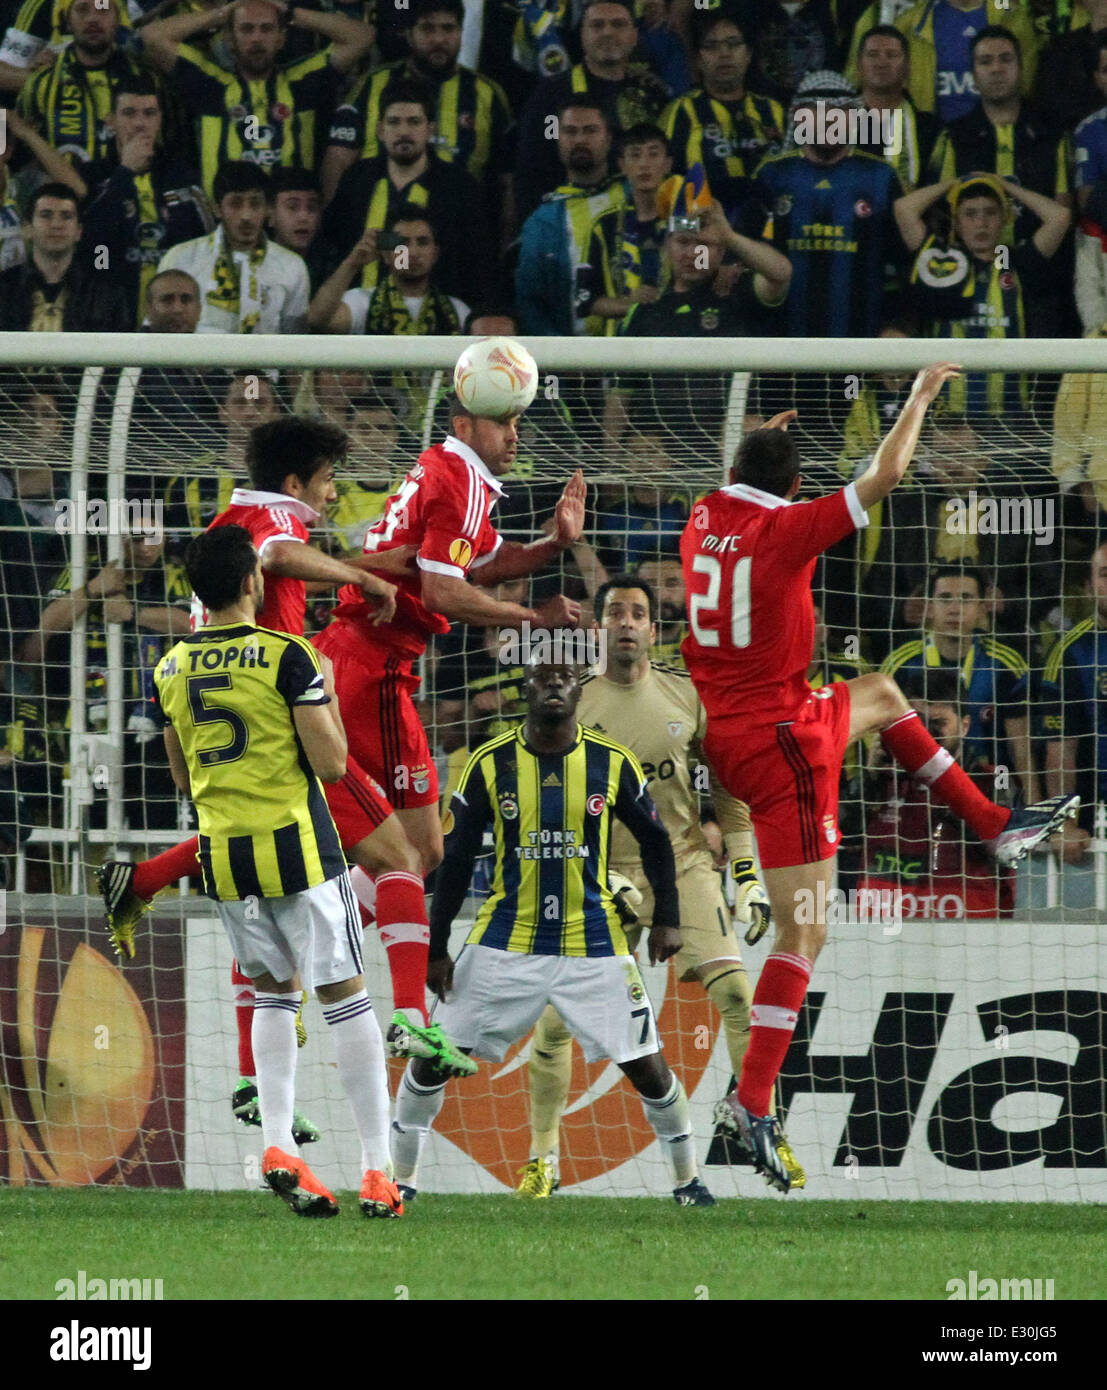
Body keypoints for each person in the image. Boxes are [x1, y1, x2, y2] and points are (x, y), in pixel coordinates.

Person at [681, 363, 1078, 1193]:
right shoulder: (782, 532)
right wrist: (922, 396)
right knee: (807, 933)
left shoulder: (702, 517)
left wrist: (766, 440)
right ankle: (751, 1102)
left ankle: (990, 824)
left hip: (732, 730)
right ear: (789, 488)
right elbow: (886, 475)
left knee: (880, 694)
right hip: (782, 744)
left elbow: (743, 478)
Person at [100, 416, 478, 1136]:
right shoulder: (268, 521)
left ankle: (246, 1073)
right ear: (297, 482)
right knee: (401, 858)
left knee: (264, 910)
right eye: (330, 480)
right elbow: (279, 552)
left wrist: (388, 561)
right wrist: (360, 575)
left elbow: (281, 557)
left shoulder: (224, 525)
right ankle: (408, 1021)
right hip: (282, 727)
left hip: (219, 734)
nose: (335, 494)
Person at [390, 656, 718, 1208]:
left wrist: (667, 918)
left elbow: (657, 841)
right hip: (503, 941)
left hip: (592, 942)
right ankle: (400, 1180)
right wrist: (437, 945)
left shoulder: (610, 761)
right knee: (433, 1057)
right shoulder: (489, 763)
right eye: (543, 681)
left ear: (576, 695)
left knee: (647, 1066)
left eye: (564, 681)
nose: (554, 689)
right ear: (527, 692)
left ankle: (689, 1183)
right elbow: (457, 855)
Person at [519, 574, 801, 1198]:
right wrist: (589, 869)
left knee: (736, 993)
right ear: (597, 629)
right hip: (596, 871)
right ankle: (542, 1158)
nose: (625, 621)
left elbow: (728, 792)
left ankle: (761, 1119)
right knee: (556, 1020)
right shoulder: (574, 701)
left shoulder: (687, 695)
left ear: (653, 629)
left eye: (637, 613)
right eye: (614, 611)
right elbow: (547, 803)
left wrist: (748, 872)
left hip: (683, 863)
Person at [151, 523, 403, 1219]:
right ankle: (378, 1171)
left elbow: (179, 775)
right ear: (250, 583)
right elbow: (328, 763)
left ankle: (276, 1145)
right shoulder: (286, 655)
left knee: (271, 995)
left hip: (226, 857)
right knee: (346, 1000)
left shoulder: (168, 668)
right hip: (297, 848)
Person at [310, 387, 588, 880]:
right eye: (503, 424)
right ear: (464, 427)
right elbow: (442, 593)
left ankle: (321, 944)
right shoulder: (459, 481)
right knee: (418, 852)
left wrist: (556, 542)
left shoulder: (447, 467)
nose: (513, 436)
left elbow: (488, 562)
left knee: (380, 849)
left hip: (346, 654)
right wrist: (534, 619)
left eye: (517, 424)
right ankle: (358, 952)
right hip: (372, 668)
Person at [321, 0, 515, 246]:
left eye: (448, 29)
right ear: (408, 34)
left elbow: (506, 183)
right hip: (378, 233)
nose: (439, 39)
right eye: (427, 29)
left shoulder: (488, 94)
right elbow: (337, 160)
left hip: (456, 234)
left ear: (461, 32)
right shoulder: (374, 85)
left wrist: (503, 246)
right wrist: (334, 231)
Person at [138, 0, 373, 197]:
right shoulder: (210, 85)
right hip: (223, 231)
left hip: (289, 232)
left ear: (282, 38)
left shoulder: (304, 82)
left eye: (267, 29)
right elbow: (152, 36)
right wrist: (222, 14)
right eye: (247, 29)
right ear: (229, 39)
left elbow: (362, 36)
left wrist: (290, 12)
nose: (257, 38)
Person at [751, 69, 906, 340]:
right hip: (781, 348)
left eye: (838, 112)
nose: (827, 121)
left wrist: (896, 324)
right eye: (816, 112)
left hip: (858, 344)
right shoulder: (772, 175)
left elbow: (901, 264)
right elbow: (747, 250)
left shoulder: (880, 177)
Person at [895, 173, 1072, 406]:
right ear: (956, 222)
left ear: (1005, 218)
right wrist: (956, 181)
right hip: (948, 416)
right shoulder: (938, 260)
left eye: (991, 213)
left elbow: (1060, 216)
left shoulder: (1017, 262)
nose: (981, 223)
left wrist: (1005, 186)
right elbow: (903, 208)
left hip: (1009, 413)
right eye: (970, 214)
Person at [858, 667, 1016, 919]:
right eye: (918, 722)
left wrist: (946, 789)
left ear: (964, 726)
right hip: (886, 918)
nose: (926, 733)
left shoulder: (993, 777)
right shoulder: (883, 775)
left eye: (938, 723)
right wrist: (868, 778)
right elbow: (843, 830)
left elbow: (1005, 846)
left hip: (965, 917)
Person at [323, 77, 495, 307]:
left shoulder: (459, 188)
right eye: (394, 122)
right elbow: (333, 245)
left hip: (434, 320)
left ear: (430, 129)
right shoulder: (356, 180)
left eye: (414, 122)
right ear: (380, 130)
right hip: (360, 316)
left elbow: (475, 264)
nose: (404, 131)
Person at [880, 564, 1040, 805]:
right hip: (915, 786)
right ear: (929, 607)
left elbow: (1021, 750)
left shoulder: (1006, 664)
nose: (955, 609)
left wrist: (1034, 810)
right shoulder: (900, 663)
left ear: (983, 607)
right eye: (945, 599)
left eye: (966, 599)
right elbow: (881, 742)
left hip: (990, 785)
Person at [75, 75, 212, 327]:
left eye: (149, 113)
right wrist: (124, 174)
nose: (140, 123)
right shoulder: (90, 176)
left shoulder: (183, 176)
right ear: (111, 121)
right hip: (109, 318)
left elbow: (205, 245)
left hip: (175, 321)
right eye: (129, 113)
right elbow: (92, 247)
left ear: (160, 120)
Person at [514, 0, 671, 220]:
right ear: (582, 36)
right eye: (597, 25)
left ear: (635, 36)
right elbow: (533, 169)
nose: (607, 32)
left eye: (618, 25)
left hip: (642, 221)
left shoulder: (654, 92)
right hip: (571, 220)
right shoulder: (551, 96)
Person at [926, 27, 1071, 234]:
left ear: (1021, 68)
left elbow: (1063, 209)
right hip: (972, 263)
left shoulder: (1053, 132)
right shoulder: (954, 135)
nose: (996, 69)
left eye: (1005, 59)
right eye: (985, 62)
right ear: (973, 75)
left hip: (1037, 259)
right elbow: (942, 213)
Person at [661, 5, 784, 224]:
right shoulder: (680, 112)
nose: (724, 53)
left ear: (748, 54)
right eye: (712, 46)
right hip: (703, 233)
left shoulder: (774, 111)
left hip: (769, 233)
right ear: (698, 59)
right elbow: (664, 181)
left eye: (733, 44)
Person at [157, 161, 309, 334]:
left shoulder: (292, 266)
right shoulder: (180, 258)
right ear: (216, 209)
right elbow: (158, 327)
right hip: (198, 360)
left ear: (267, 208)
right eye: (235, 204)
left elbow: (294, 340)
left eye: (255, 203)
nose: (246, 215)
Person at [515, 98, 626, 336]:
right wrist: (560, 358)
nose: (579, 140)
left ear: (608, 138)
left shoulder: (637, 195)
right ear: (558, 139)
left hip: (641, 352)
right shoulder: (541, 221)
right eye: (570, 131)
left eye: (590, 130)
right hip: (574, 362)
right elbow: (530, 303)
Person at [16, 0, 155, 167]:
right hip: (64, 190)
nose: (92, 19)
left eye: (103, 9)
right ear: (67, 22)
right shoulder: (40, 84)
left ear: (118, 19)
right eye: (82, 10)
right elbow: (19, 151)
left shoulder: (147, 80)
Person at [307, 204, 468, 335]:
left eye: (423, 242)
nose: (412, 252)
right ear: (386, 254)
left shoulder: (457, 311)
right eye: (402, 243)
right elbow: (316, 320)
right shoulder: (361, 301)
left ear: (435, 254)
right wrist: (351, 264)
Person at [575, 121, 671, 333]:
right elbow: (584, 300)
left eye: (653, 154)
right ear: (622, 165)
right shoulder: (604, 226)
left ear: (668, 164)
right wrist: (630, 303)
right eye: (635, 155)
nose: (644, 164)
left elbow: (704, 268)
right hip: (622, 350)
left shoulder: (687, 221)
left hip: (677, 340)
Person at [0, 181, 131, 331]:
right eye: (46, 215)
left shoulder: (106, 294)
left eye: (66, 216)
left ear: (78, 231)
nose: (56, 224)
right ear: (28, 228)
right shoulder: (4, 289)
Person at [887, 0, 1039, 122]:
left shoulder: (1013, 16)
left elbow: (1027, 85)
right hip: (935, 140)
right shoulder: (910, 23)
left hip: (1000, 139)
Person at [852, 23, 939, 191]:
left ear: (907, 67)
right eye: (872, 55)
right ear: (858, 66)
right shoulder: (834, 124)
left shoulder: (930, 128)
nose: (881, 63)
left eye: (891, 55)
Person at [0, 104, 85, 270]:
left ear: (8, 150)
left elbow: (77, 191)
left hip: (23, 289)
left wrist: (25, 132)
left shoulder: (26, 185)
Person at [266, 166, 336, 294]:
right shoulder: (254, 261)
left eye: (312, 207)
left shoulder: (331, 263)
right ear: (270, 214)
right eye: (292, 207)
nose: (304, 217)